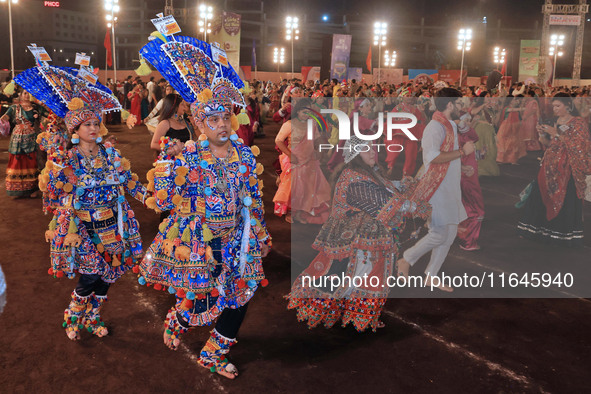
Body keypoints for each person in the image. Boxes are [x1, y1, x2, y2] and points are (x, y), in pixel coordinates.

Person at [138, 32, 269, 379]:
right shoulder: (190, 154)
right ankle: (179, 319)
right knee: (203, 297)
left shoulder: (243, 154)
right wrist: (167, 165)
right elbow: (163, 200)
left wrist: (260, 232)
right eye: (213, 120)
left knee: (241, 295)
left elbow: (252, 197)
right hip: (202, 241)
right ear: (198, 123)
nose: (222, 125)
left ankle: (215, 352)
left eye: (226, 118)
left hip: (238, 238)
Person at [15, 62, 149, 341]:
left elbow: (128, 180)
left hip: (113, 225)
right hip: (84, 227)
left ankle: (93, 318)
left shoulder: (111, 154)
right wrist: (56, 167)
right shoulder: (69, 158)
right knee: (90, 276)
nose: (92, 127)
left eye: (94, 123)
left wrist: (152, 197)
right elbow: (53, 192)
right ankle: (73, 317)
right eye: (86, 124)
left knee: (109, 275)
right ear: (75, 128)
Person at [287, 136, 430, 331]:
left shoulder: (367, 172)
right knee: (350, 274)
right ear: (355, 154)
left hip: (360, 234)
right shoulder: (355, 180)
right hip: (352, 238)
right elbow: (384, 201)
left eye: (373, 148)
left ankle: (351, 311)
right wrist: (417, 207)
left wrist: (404, 185)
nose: (373, 152)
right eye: (366, 149)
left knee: (357, 274)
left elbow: (385, 187)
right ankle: (336, 311)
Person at [396, 88, 474, 292]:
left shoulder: (450, 126)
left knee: (448, 235)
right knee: (439, 233)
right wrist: (461, 153)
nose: (461, 108)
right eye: (458, 104)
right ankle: (406, 259)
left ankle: (431, 275)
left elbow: (447, 157)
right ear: (449, 105)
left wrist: (461, 165)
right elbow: (432, 157)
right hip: (436, 188)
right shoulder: (434, 127)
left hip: (449, 186)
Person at [517, 93, 591, 246]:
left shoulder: (578, 122)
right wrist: (541, 135)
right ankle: (534, 230)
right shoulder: (555, 121)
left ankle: (560, 235)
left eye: (558, 106)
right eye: (554, 106)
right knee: (540, 192)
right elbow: (548, 143)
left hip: (567, 169)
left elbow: (579, 146)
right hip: (549, 164)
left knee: (565, 198)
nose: (555, 109)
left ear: (568, 106)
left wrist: (556, 133)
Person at [274, 99, 331, 224]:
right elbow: (278, 141)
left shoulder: (312, 124)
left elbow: (315, 141)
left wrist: (318, 151)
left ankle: (300, 212)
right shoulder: (289, 124)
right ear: (298, 111)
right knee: (294, 186)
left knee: (308, 186)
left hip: (309, 158)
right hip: (293, 158)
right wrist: (290, 155)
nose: (308, 115)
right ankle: (290, 212)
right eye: (305, 112)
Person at [1, 90, 47, 198]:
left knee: (32, 163)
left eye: (29, 93)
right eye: (25, 93)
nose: (27, 95)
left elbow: (49, 115)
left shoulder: (37, 108)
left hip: (32, 138)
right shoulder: (14, 108)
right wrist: (2, 120)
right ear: (21, 95)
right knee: (16, 162)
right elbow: (5, 117)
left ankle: (32, 189)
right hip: (17, 139)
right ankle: (18, 189)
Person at [456, 114, 485, 251]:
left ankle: (464, 238)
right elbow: (473, 136)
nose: (467, 124)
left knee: (466, 208)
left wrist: (481, 154)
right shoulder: (460, 138)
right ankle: (469, 242)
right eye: (464, 122)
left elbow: (472, 151)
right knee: (475, 211)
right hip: (467, 179)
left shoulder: (465, 139)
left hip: (468, 178)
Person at [470, 94, 500, 176]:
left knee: (492, 151)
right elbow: (472, 112)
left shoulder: (490, 109)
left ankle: (488, 170)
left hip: (489, 132)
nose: (489, 98)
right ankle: (480, 170)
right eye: (487, 96)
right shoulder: (479, 108)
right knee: (481, 150)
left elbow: (494, 122)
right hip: (480, 132)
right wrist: (483, 105)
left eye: (490, 97)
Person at [496, 97, 526, 164]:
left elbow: (520, 117)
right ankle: (503, 159)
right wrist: (523, 108)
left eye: (516, 100)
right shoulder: (506, 108)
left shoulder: (516, 110)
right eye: (514, 100)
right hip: (506, 127)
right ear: (510, 101)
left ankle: (512, 159)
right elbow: (512, 110)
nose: (515, 101)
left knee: (514, 142)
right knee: (503, 143)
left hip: (514, 127)